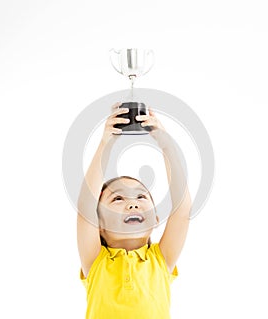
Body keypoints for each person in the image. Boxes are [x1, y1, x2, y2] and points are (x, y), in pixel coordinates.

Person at [77, 102, 191, 319]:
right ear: (99, 225)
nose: (133, 204)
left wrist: (165, 143)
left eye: (141, 196)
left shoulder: (161, 259)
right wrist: (105, 144)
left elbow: (182, 209)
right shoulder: (95, 261)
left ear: (156, 219)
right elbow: (85, 208)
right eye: (117, 198)